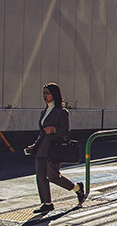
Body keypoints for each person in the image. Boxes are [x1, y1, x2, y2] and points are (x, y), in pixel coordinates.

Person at [25, 81, 84, 212]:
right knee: (40, 176)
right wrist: (35, 145)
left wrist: (54, 129)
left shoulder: (61, 112)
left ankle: (77, 189)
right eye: (44, 93)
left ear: (55, 95)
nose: (45, 96)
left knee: (53, 176)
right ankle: (47, 203)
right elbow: (42, 133)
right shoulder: (44, 111)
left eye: (48, 93)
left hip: (54, 149)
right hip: (41, 148)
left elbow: (66, 131)